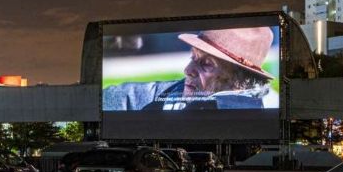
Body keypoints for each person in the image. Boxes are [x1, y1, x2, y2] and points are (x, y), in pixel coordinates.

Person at [103, 27, 276, 111]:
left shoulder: (269, 107)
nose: (187, 70)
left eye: (206, 64)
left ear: (240, 82)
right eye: (193, 57)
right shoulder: (152, 97)